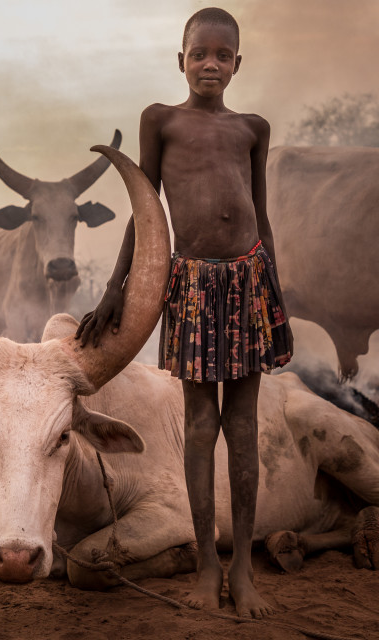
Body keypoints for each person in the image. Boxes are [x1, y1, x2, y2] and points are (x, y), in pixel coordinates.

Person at [76, 8, 292, 619]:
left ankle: (244, 568)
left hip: (250, 281)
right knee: (201, 427)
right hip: (192, 286)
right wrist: (116, 286)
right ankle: (205, 564)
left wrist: (274, 294)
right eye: (200, 54)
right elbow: (145, 210)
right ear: (181, 60)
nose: (211, 65)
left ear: (237, 64)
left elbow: (261, 214)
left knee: (242, 429)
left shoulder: (253, 128)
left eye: (223, 56)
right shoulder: (160, 120)